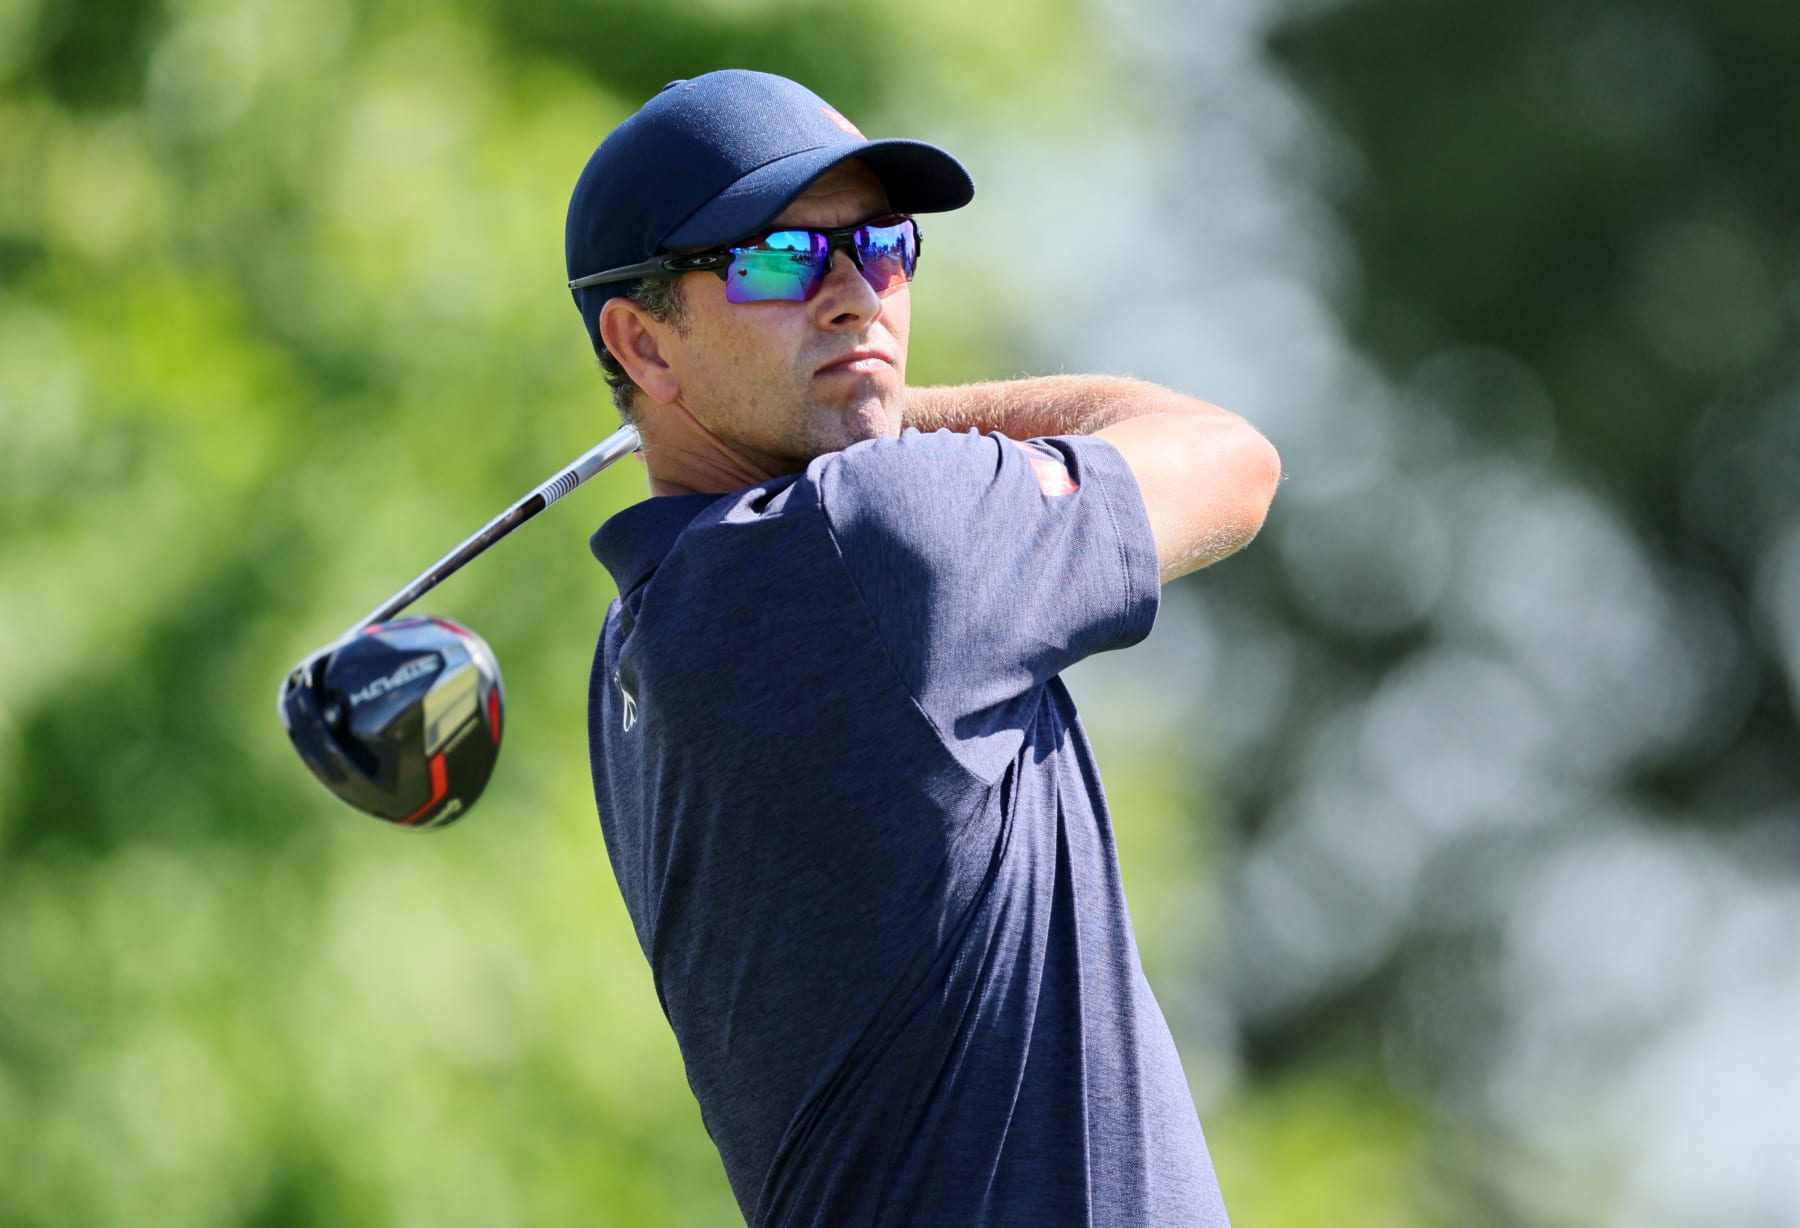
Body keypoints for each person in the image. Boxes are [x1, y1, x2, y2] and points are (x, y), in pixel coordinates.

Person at [565, 70, 1278, 1227]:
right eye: (782, 258)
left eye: (883, 247)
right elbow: (1230, 458)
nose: (857, 297)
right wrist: (886, 415)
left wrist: (853, 401)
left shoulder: (633, 650)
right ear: (643, 345)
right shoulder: (874, 543)